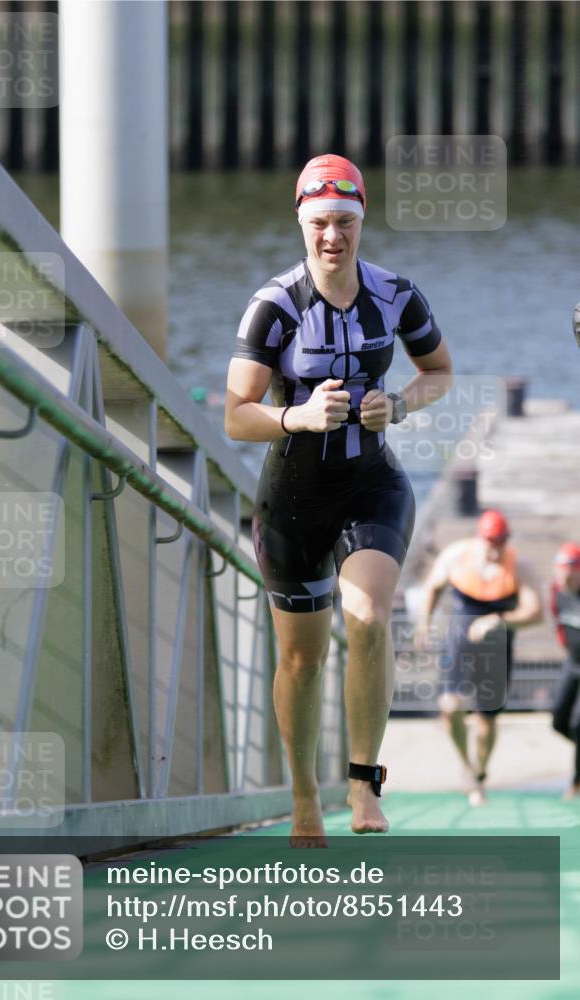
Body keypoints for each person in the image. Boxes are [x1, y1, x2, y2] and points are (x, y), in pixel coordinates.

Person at [224, 153, 452, 843]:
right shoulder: (274, 305)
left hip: (370, 486)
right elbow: (236, 415)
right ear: (302, 224)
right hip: (292, 501)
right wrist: (295, 416)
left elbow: (438, 371)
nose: (333, 236)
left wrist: (401, 405)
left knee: (369, 617)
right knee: (301, 658)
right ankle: (302, 798)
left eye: (345, 222)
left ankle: (362, 782)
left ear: (362, 222)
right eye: (320, 222)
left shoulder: (396, 294)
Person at [417, 510, 543, 805]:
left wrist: (499, 620)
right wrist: (424, 625)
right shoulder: (456, 556)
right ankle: (467, 767)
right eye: (490, 543)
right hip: (459, 648)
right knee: (449, 706)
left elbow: (535, 612)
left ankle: (481, 772)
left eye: (501, 542)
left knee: (486, 721)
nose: (496, 550)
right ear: (479, 538)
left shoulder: (519, 565)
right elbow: (432, 587)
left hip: (496, 653)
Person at [549, 542, 580, 800]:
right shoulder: (557, 591)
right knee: (559, 720)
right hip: (573, 662)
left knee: (579, 723)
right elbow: (559, 622)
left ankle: (576, 782)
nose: (564, 577)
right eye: (561, 571)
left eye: (570, 572)